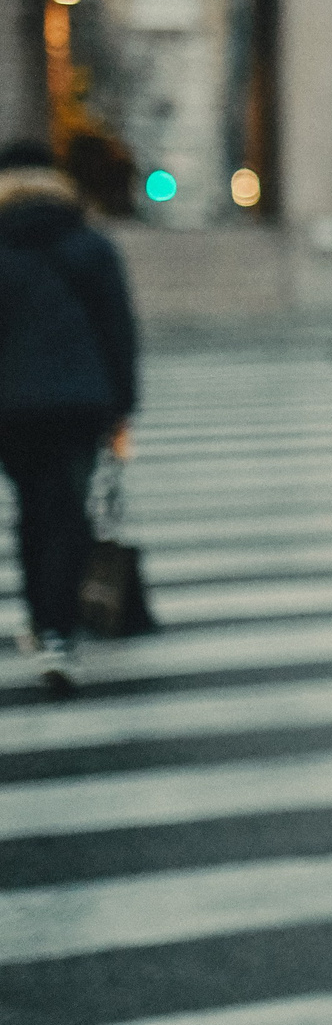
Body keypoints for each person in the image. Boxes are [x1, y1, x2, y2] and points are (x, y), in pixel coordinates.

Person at [0, 138, 140, 695]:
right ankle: (58, 628)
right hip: (81, 403)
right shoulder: (91, 245)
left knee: (34, 507)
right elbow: (118, 333)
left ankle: (43, 617)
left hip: (10, 408)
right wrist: (123, 407)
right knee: (68, 509)